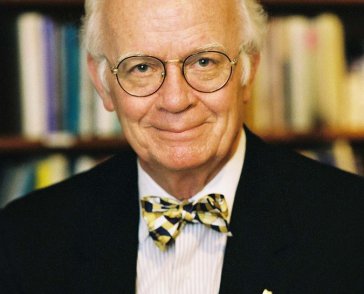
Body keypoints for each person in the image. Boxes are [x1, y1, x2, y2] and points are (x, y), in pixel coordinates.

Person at [1, 0, 363, 293]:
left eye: (204, 62)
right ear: (102, 82)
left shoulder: (350, 227)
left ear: (248, 70)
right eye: (141, 67)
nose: (175, 100)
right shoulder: (26, 239)